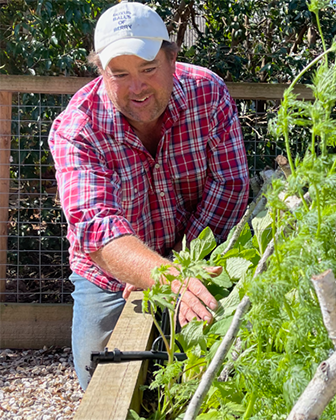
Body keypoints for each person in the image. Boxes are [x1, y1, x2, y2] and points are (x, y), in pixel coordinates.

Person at [48, 1, 250, 390]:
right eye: (119, 73)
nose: (136, 87)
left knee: (219, 371)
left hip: (200, 256)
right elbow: (95, 227)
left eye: (148, 68)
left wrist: (177, 267)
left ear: (172, 59)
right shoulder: (77, 129)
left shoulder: (208, 94)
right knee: (100, 380)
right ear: (101, 73)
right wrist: (156, 273)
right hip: (108, 275)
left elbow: (230, 185)